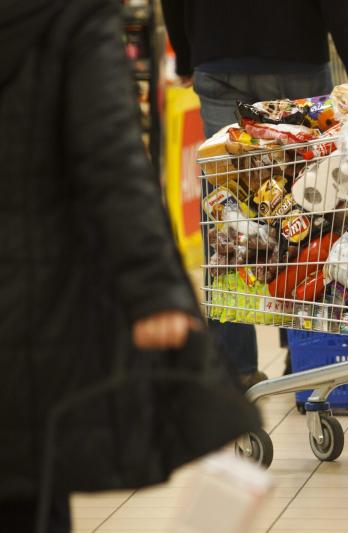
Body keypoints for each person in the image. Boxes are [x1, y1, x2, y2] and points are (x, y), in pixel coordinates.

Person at [0, 0, 260, 531]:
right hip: (31, 298)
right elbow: (110, 158)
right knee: (28, 489)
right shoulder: (68, 18)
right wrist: (154, 289)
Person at [162, 0, 348, 386]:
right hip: (298, 61)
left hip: (218, 58)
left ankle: (237, 366)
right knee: (306, 204)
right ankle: (305, 353)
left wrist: (185, 57)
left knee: (226, 207)